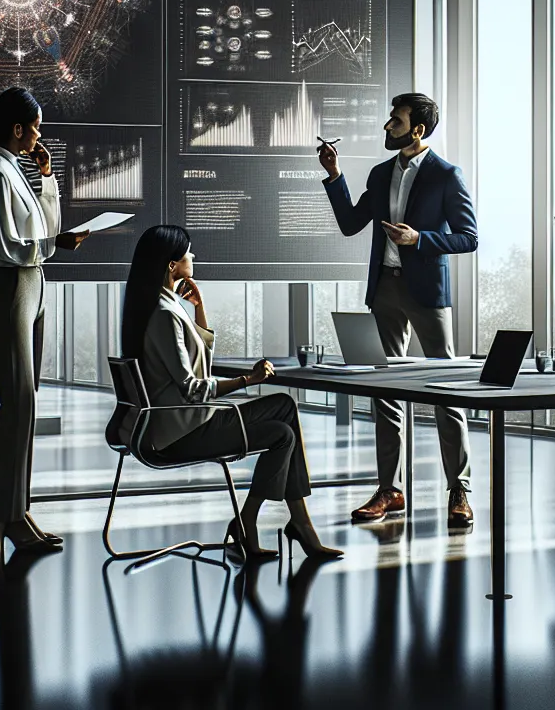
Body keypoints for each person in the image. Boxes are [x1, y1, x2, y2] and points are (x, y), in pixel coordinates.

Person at [120, 225, 343, 561]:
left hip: (182, 423)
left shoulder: (163, 306)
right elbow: (194, 389)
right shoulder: (165, 315)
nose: (193, 256)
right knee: (282, 434)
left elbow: (198, 365)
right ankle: (255, 520)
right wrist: (248, 380)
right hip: (184, 432)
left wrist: (199, 309)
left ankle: (290, 523)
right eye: (188, 252)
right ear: (172, 265)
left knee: (284, 406)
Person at [318, 93, 479, 528]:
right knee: (384, 388)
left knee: (446, 391)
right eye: (391, 119)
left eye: (397, 120)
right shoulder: (379, 173)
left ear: (418, 130)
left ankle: (459, 490)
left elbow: (469, 237)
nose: (388, 126)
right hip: (385, 288)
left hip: (427, 291)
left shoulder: (447, 175)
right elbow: (351, 224)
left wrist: (419, 239)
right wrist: (334, 176)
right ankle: (390, 489)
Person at [0, 87, 90, 563]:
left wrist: (49, 178)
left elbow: (44, 230)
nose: (39, 135)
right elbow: (6, 245)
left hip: (33, 286)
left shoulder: (16, 170)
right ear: (17, 128)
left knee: (27, 405)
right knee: (17, 406)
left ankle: (19, 511)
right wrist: (55, 243)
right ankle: (7, 517)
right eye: (35, 127)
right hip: (14, 287)